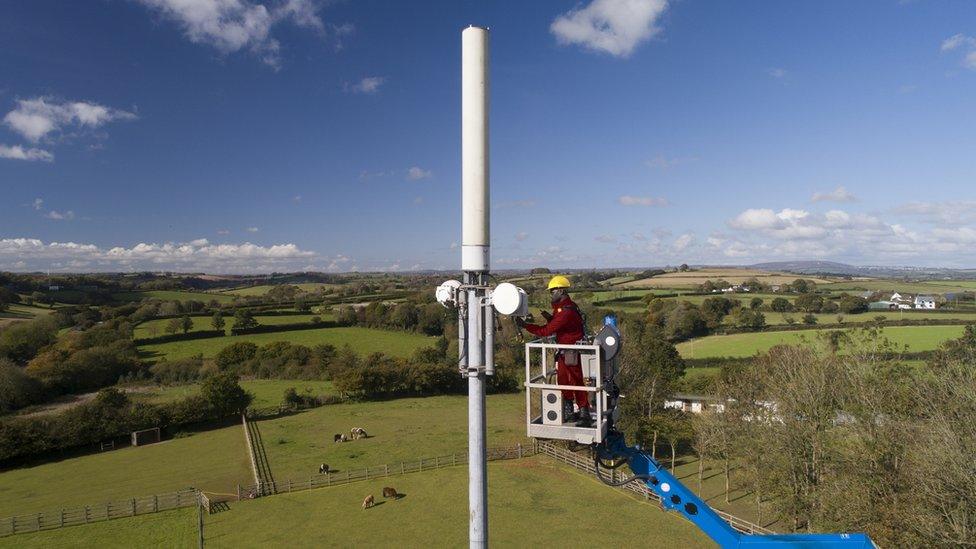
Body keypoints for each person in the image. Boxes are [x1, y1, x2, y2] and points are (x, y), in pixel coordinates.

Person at [517, 275, 592, 427]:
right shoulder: (563, 308)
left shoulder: (566, 311)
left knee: (576, 381)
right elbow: (560, 326)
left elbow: (546, 331)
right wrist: (550, 317)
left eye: (552, 291)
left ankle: (584, 412)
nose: (550, 294)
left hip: (571, 351)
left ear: (561, 291)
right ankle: (569, 410)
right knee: (563, 380)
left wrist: (526, 325)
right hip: (565, 351)